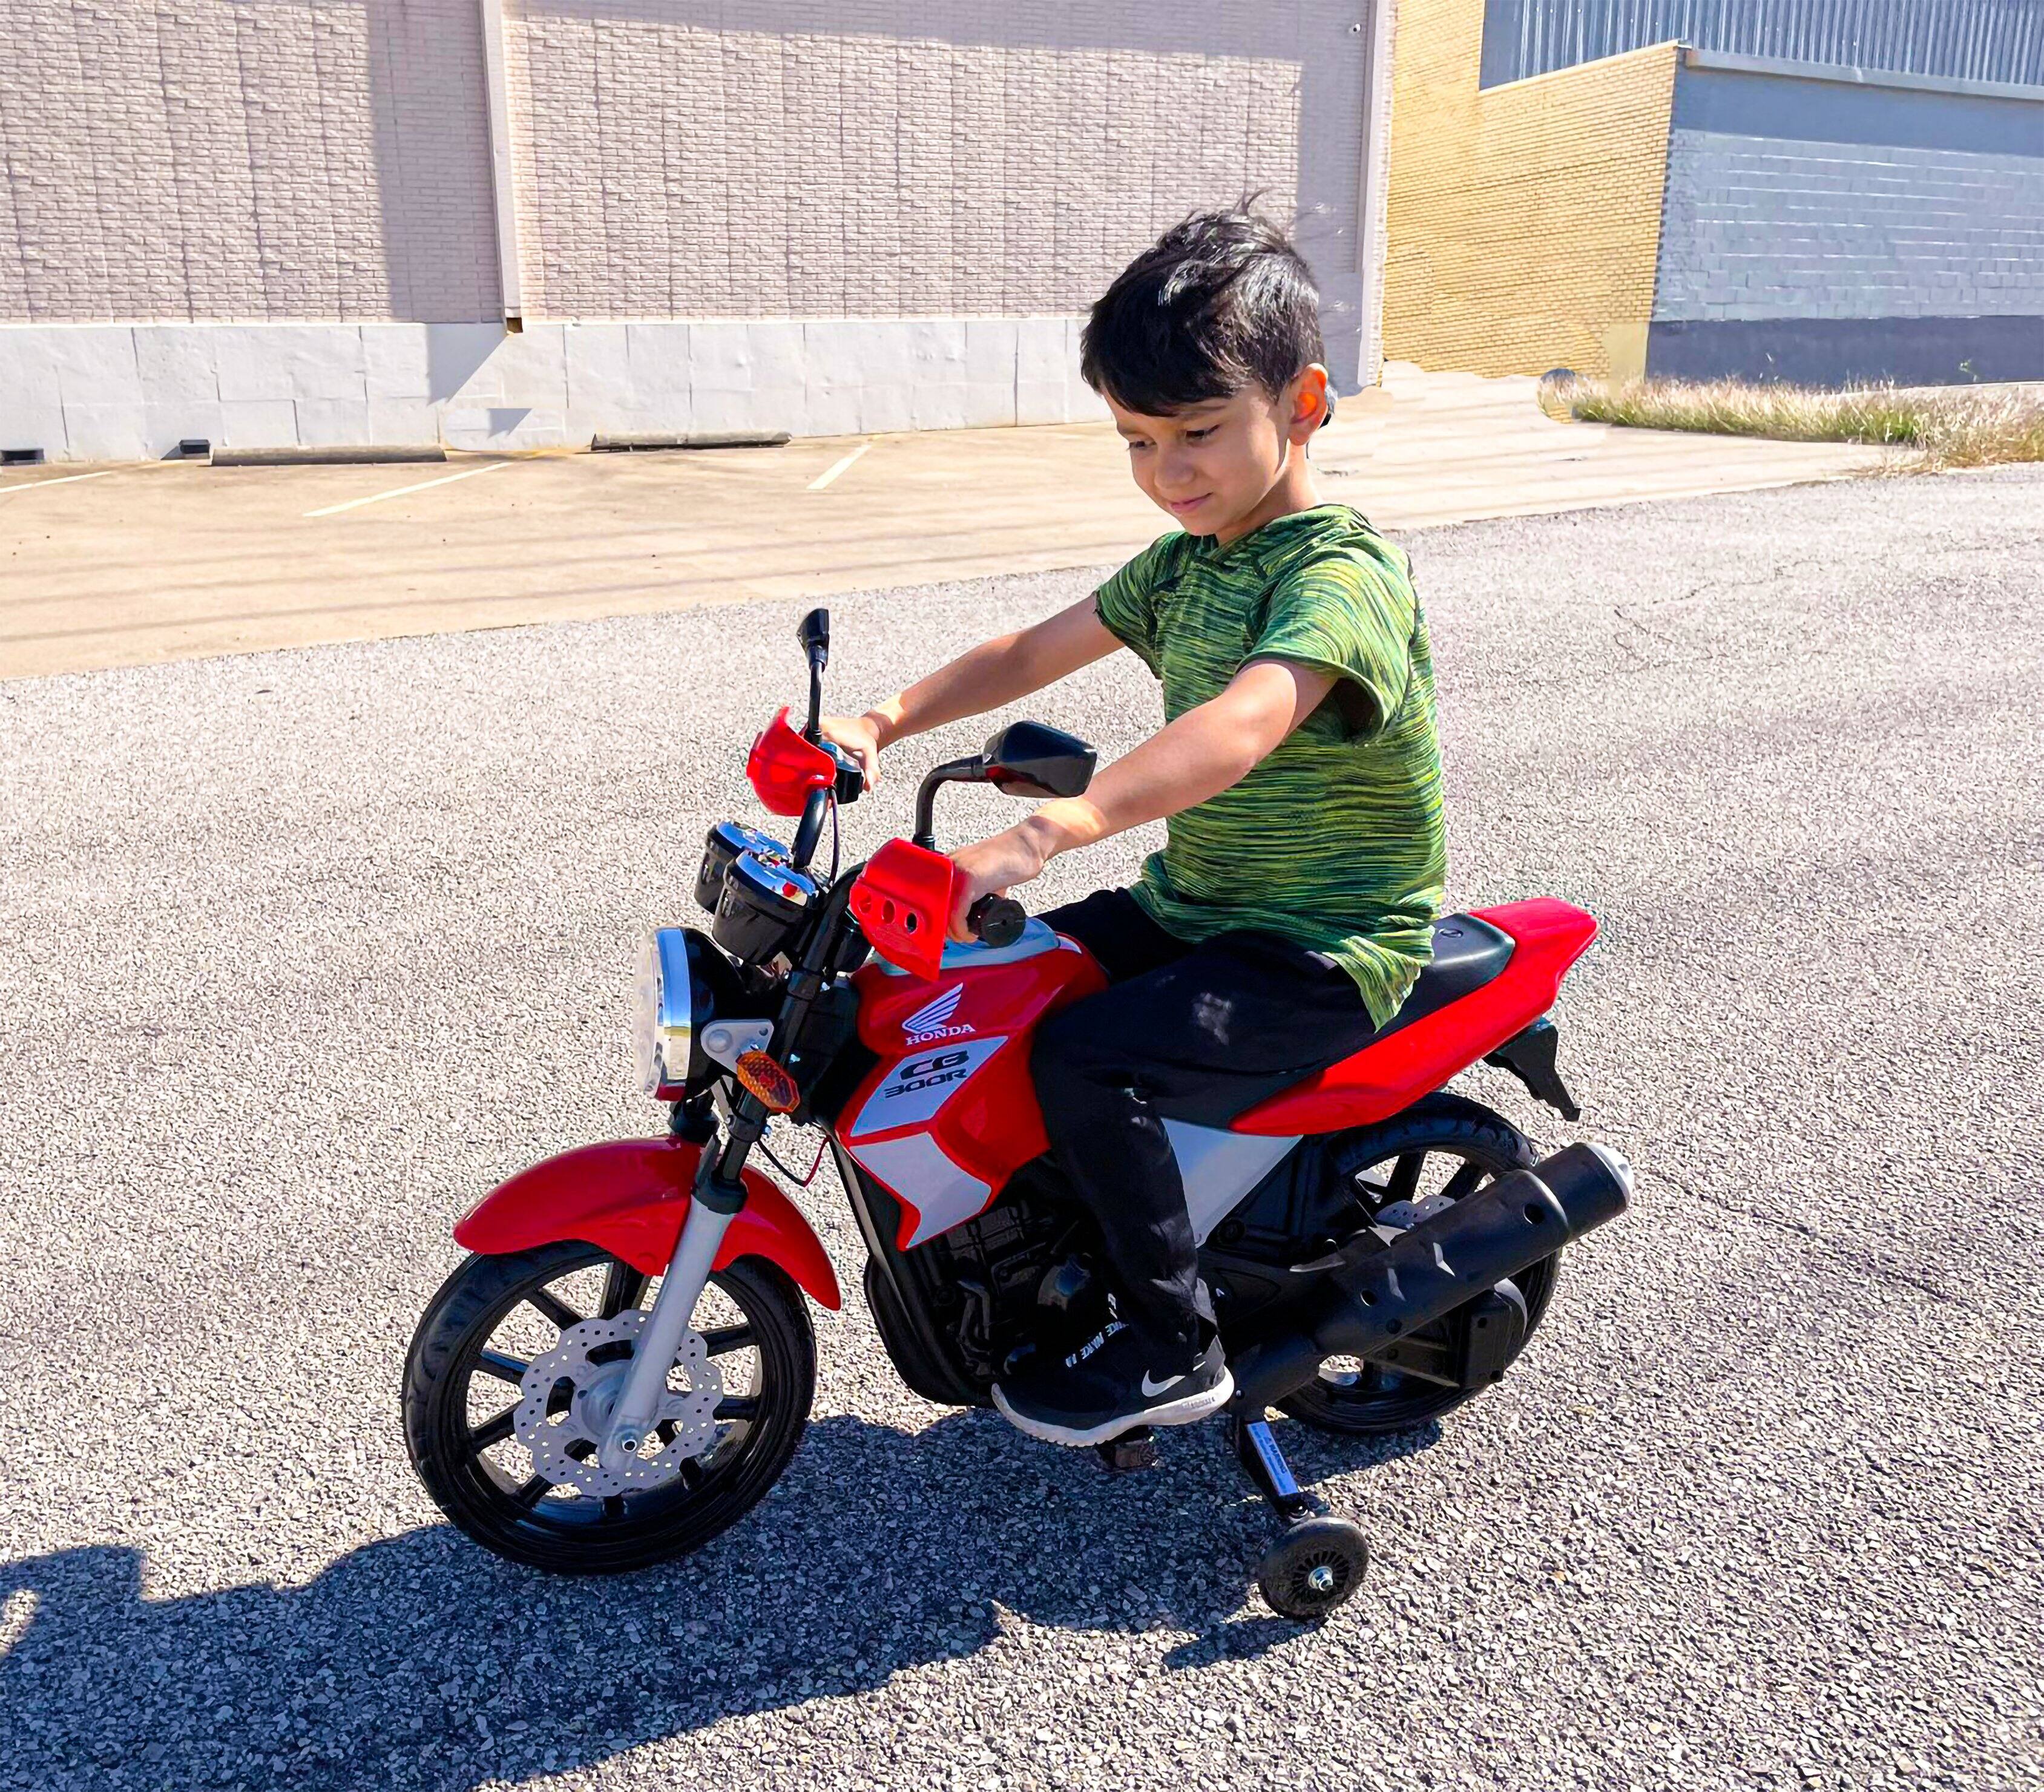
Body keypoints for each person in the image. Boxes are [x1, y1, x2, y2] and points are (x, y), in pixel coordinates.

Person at [820, 208, 1446, 1446]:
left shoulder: (1336, 577)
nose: (1170, 470)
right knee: (998, 986)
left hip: (1324, 941)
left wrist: (1057, 825)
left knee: (1090, 1055)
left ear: (1304, 400)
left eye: (1201, 431)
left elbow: (1245, 723)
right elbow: (1034, 647)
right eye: (1138, 440)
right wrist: (880, 720)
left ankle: (1170, 1343)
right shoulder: (1187, 559)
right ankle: (1066, 1247)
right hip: (1197, 904)